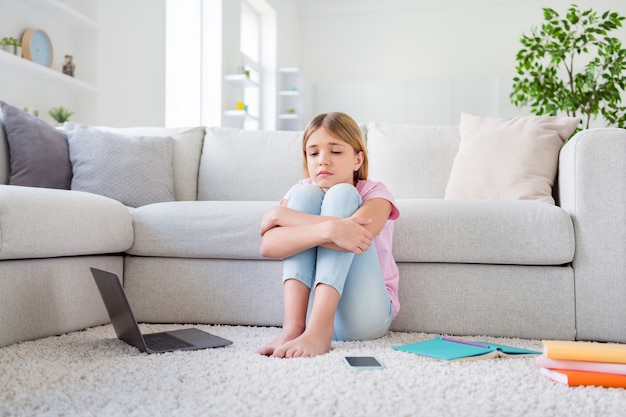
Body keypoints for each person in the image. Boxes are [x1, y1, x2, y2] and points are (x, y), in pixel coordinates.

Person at [257, 112, 400, 358]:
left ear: (357, 160)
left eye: (335, 152)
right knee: (305, 195)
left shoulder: (376, 193)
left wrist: (279, 216)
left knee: (342, 195)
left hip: (364, 315)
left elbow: (356, 236)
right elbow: (268, 246)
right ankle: (293, 328)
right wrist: (329, 229)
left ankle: (319, 331)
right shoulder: (299, 192)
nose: (323, 161)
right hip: (310, 309)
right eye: (313, 153)